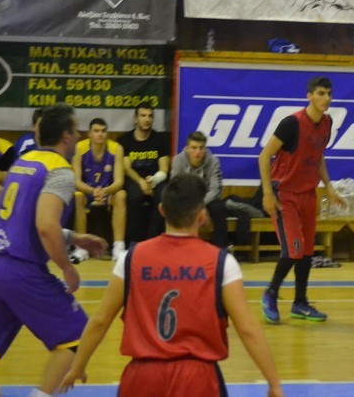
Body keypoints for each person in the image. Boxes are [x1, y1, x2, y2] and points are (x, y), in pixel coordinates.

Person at [57, 173, 284, 397]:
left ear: (162, 210)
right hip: (197, 378)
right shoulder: (222, 262)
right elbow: (247, 328)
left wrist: (78, 367)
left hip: (142, 378)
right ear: (202, 216)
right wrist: (273, 383)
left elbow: (100, 320)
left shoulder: (130, 258)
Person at [0, 104, 107, 396]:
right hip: (21, 270)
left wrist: (73, 237)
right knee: (78, 336)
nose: (78, 136)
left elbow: (23, 221)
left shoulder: (23, 161)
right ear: (66, 136)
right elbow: (45, 225)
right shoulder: (60, 171)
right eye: (76, 130)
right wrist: (67, 267)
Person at [259, 75, 345, 324]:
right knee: (293, 250)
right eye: (321, 93)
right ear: (309, 96)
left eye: (329, 94)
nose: (326, 98)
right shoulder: (291, 123)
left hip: (308, 194)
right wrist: (267, 193)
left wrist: (329, 187)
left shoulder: (327, 123)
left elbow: (318, 157)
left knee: (306, 251)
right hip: (284, 194)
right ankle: (270, 293)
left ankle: (300, 303)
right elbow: (264, 157)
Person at [71, 118, 127, 260]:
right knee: (77, 196)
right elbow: (76, 181)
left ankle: (118, 247)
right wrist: (92, 191)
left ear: (107, 133)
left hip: (107, 191)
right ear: (89, 133)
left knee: (121, 195)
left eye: (103, 131)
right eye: (96, 131)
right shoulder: (79, 148)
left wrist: (104, 191)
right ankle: (81, 247)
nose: (100, 134)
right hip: (87, 191)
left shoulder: (116, 148)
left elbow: (119, 182)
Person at [119, 104, 170, 244]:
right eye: (143, 116)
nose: (147, 119)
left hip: (156, 180)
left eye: (150, 116)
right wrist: (141, 182)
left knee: (164, 195)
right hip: (134, 180)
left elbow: (164, 169)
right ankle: (133, 241)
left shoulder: (160, 139)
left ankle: (153, 240)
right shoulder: (125, 140)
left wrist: (153, 181)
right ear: (135, 119)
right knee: (134, 196)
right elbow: (126, 168)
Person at [171, 131, 231, 249]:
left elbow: (215, 190)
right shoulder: (178, 160)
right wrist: (194, 205)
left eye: (201, 148)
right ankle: (174, 247)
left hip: (207, 199)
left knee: (218, 208)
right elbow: (176, 187)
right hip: (186, 199)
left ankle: (221, 249)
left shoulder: (213, 161)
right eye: (194, 148)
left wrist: (200, 205)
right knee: (172, 206)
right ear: (187, 148)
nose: (198, 152)